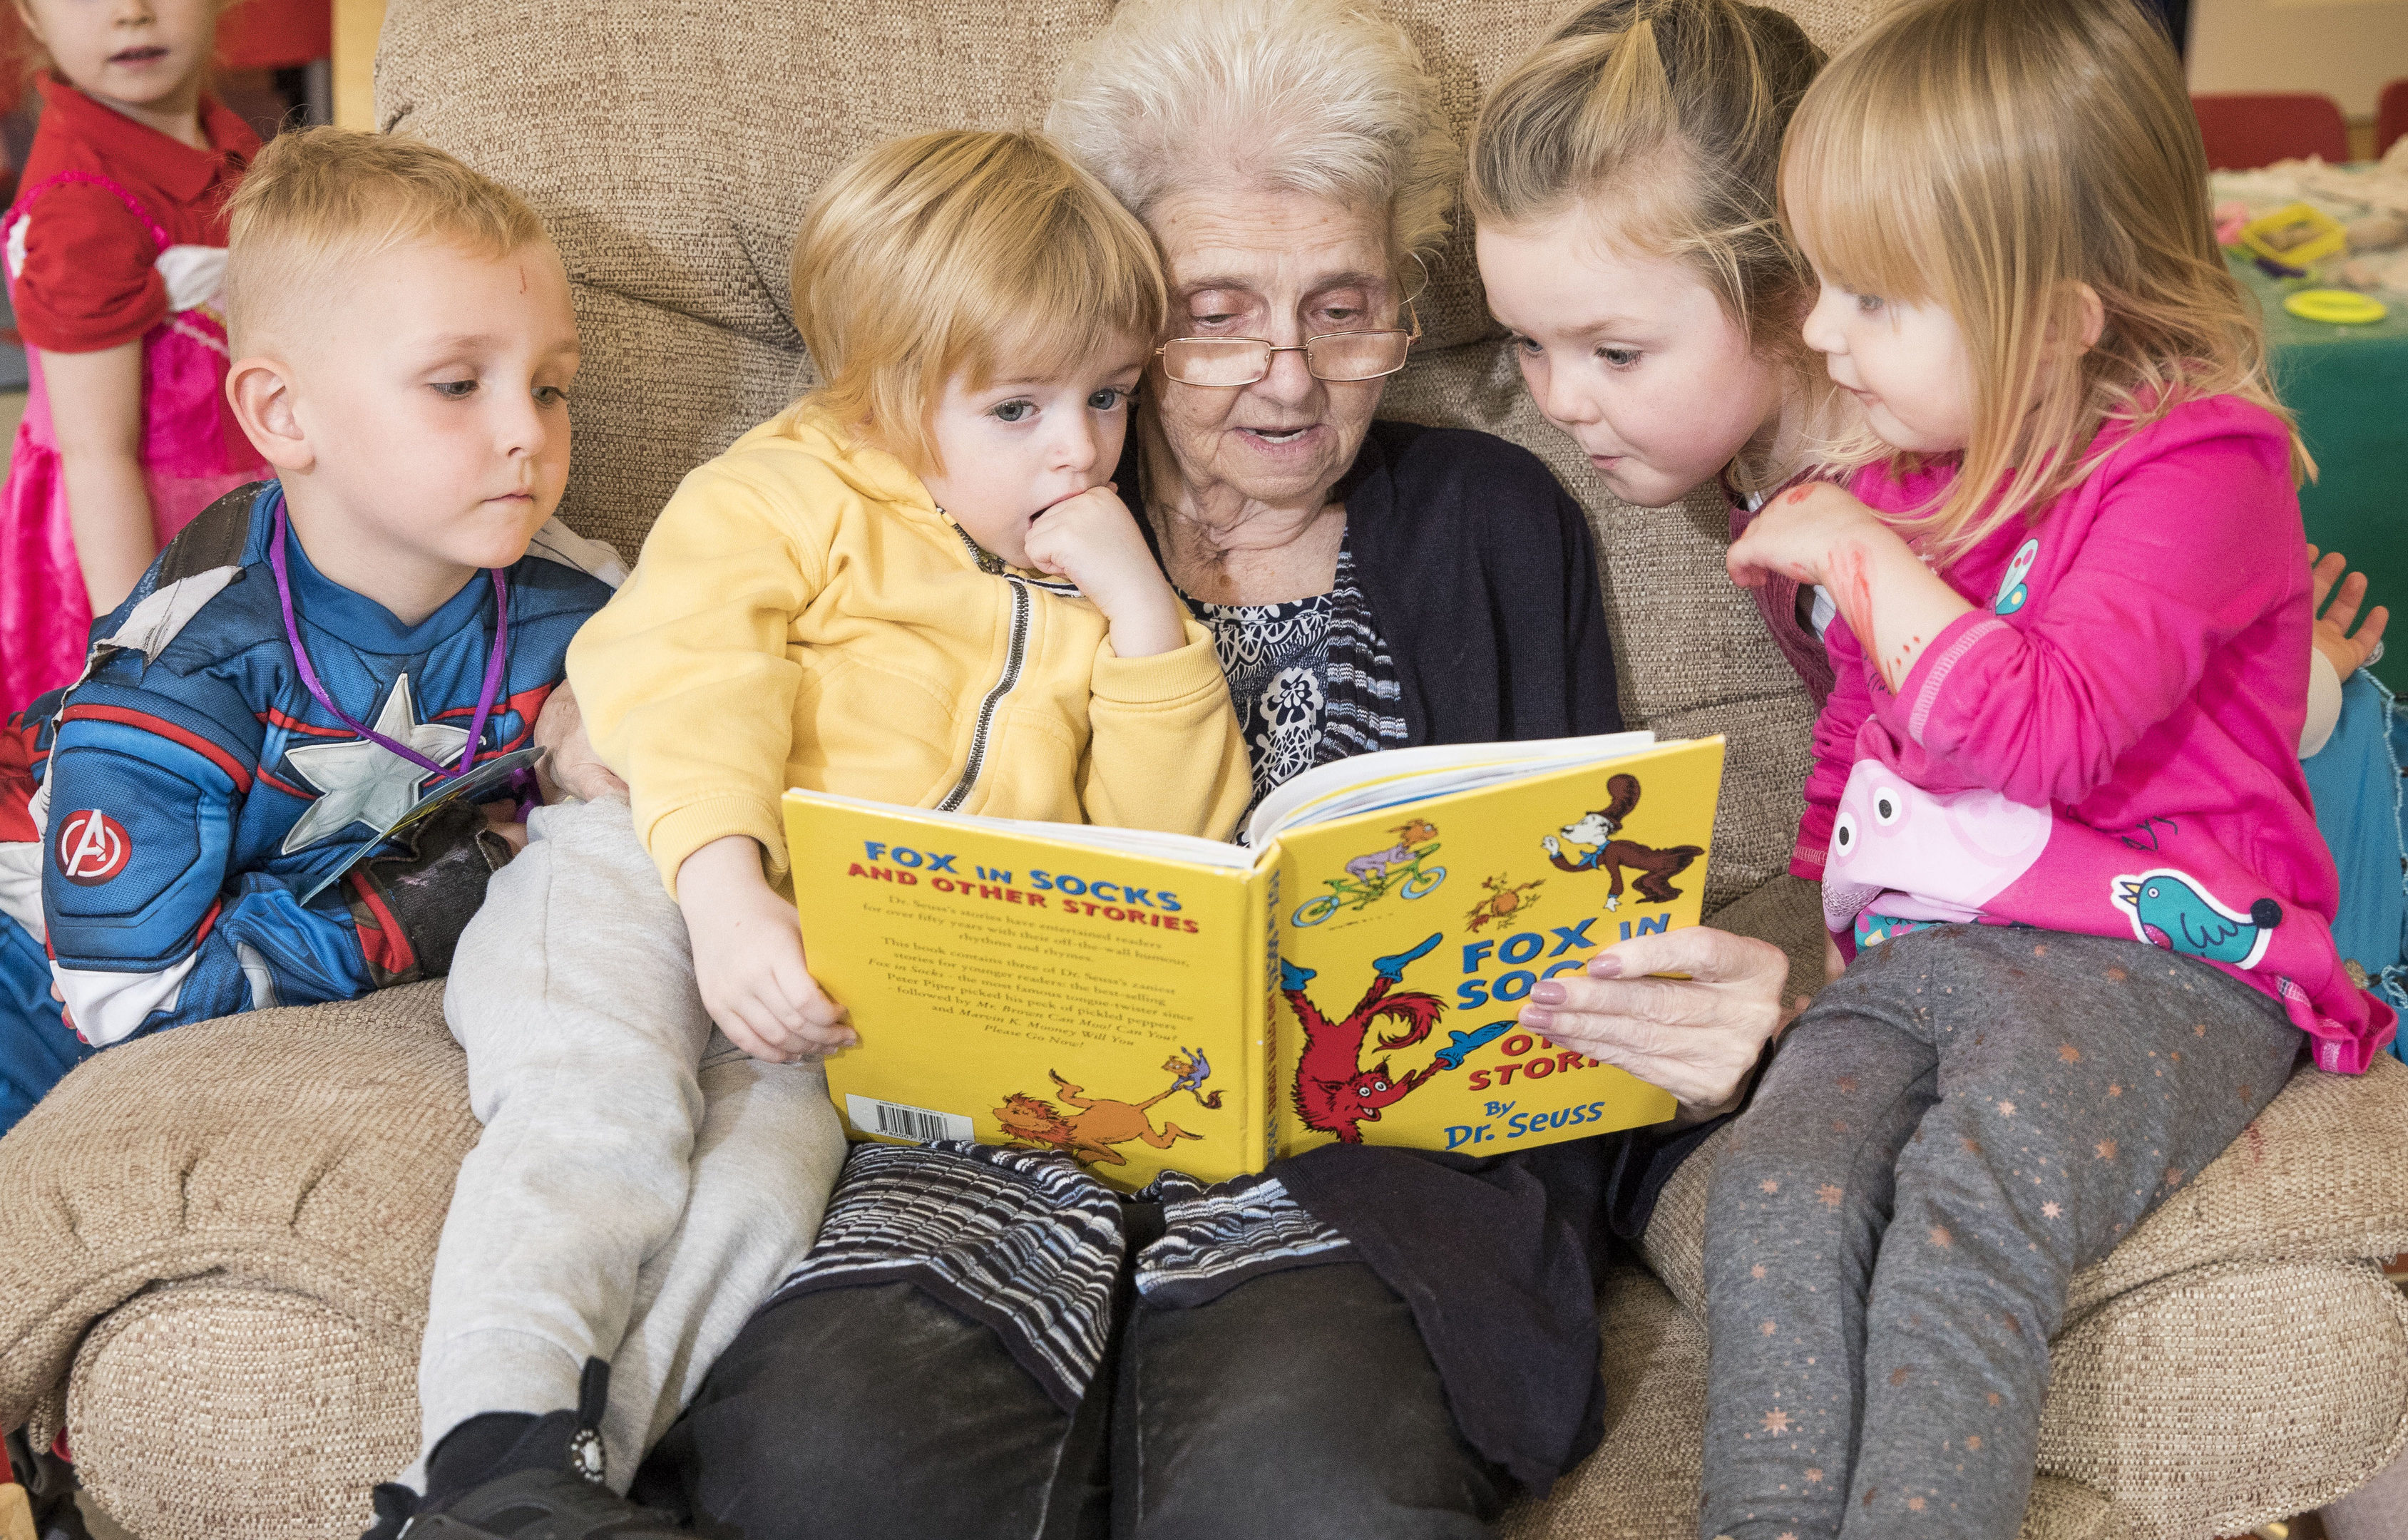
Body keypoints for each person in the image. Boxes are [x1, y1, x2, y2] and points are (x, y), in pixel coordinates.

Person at [625, 4, 1795, 1536]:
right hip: (963, 1160)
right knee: (825, 1472)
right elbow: (691, 641)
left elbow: (1576, 917)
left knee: (1307, 1497)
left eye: (1343, 306)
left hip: (1357, 1190)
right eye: (1213, 310)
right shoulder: (954, 497)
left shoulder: (1490, 525)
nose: (1287, 379)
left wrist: (1698, 1042)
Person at [372, 130, 1253, 1540]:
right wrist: (723, 897)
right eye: (1016, 409)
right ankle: (480, 1460)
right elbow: (683, 677)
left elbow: (1166, 847)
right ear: (887, 395)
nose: (1080, 448)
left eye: (1107, 396)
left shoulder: (1087, 589)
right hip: (655, 868)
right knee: (603, 1117)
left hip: (837, 978)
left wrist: (1145, 615)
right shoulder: (784, 488)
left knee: (761, 1199)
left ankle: (561, 1490)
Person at [1701, 3, 2393, 1536]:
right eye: (1822, 284)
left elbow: (2044, 726)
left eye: (1872, 298)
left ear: (2061, 316)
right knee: (1776, 1194)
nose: (1818, 334)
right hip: (1918, 955)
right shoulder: (1903, 477)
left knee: (1963, 1207)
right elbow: (1858, 749)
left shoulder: (2197, 466)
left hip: (2159, 961)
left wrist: (1867, 564)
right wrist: (1833, 935)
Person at [0, 127, 614, 1139]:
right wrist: (435, 900)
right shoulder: (180, 669)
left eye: (551, 386)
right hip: (32, 976)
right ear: (283, 414)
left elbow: (704, 664)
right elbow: (131, 1003)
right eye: (458, 385)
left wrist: (608, 709)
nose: (529, 433)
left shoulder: (571, 591)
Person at [0, 0, 272, 717]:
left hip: (246, 497)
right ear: (29, 14)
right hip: (134, 539)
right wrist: (138, 655)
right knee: (158, 754)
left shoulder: (230, 139)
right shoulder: (80, 211)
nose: (130, 12)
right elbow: (97, 457)